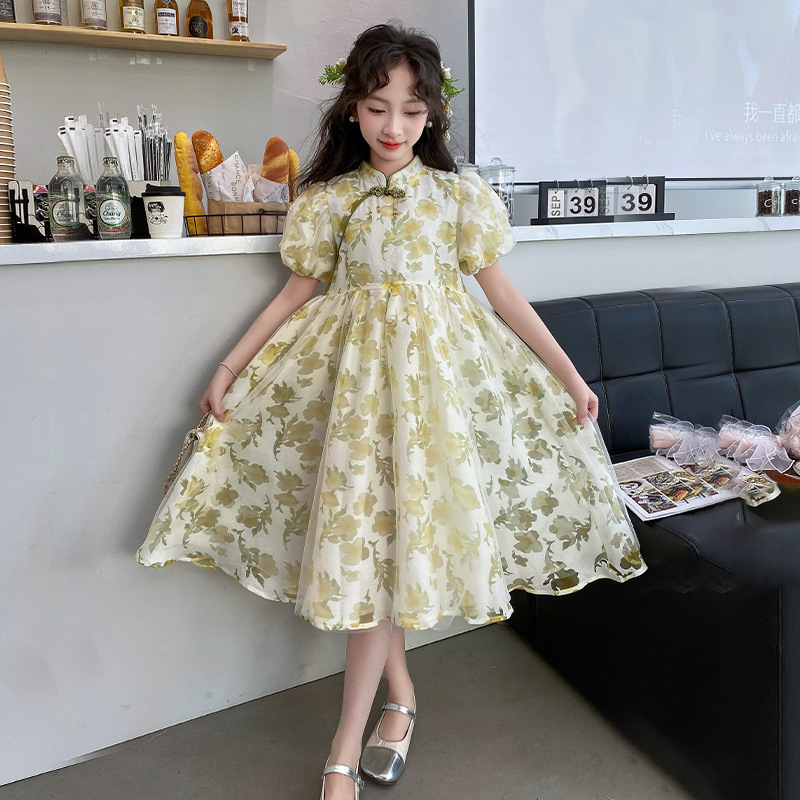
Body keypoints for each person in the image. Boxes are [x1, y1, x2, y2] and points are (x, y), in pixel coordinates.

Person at [135, 21, 649, 800]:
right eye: (378, 108)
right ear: (352, 108)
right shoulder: (331, 200)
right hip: (351, 396)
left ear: (434, 114)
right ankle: (399, 700)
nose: (394, 126)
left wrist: (570, 376)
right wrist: (230, 367)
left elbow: (503, 298)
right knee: (375, 550)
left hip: (437, 398)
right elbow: (295, 294)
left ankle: (346, 748)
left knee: (386, 552)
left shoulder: (458, 197)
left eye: (411, 110)